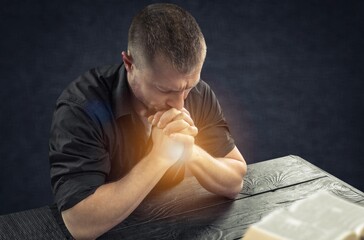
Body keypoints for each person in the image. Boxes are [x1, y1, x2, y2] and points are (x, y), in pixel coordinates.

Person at [49, 3, 247, 239]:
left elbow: (235, 180)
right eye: (164, 89)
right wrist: (160, 157)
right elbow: (80, 223)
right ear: (129, 64)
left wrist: (191, 152)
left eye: (189, 86)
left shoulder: (198, 93)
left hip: (175, 224)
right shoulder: (81, 107)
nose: (180, 104)